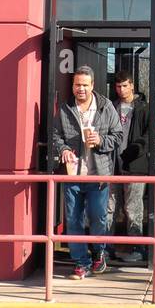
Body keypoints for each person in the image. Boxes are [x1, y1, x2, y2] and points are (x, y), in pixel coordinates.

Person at [50, 66, 124, 279]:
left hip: (99, 176)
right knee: (73, 220)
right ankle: (81, 262)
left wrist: (101, 141)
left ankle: (99, 252)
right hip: (73, 175)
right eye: (77, 85)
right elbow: (55, 135)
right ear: (73, 86)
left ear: (92, 86)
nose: (80, 89)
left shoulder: (105, 107)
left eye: (84, 85)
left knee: (98, 217)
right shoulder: (65, 110)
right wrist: (63, 149)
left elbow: (118, 136)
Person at [106, 69, 151, 264]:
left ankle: (137, 249)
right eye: (118, 86)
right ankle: (105, 249)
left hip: (135, 165)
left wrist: (136, 150)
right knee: (109, 208)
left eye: (125, 85)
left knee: (134, 208)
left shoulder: (144, 108)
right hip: (111, 165)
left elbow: (150, 136)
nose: (121, 89)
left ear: (132, 85)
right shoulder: (109, 107)